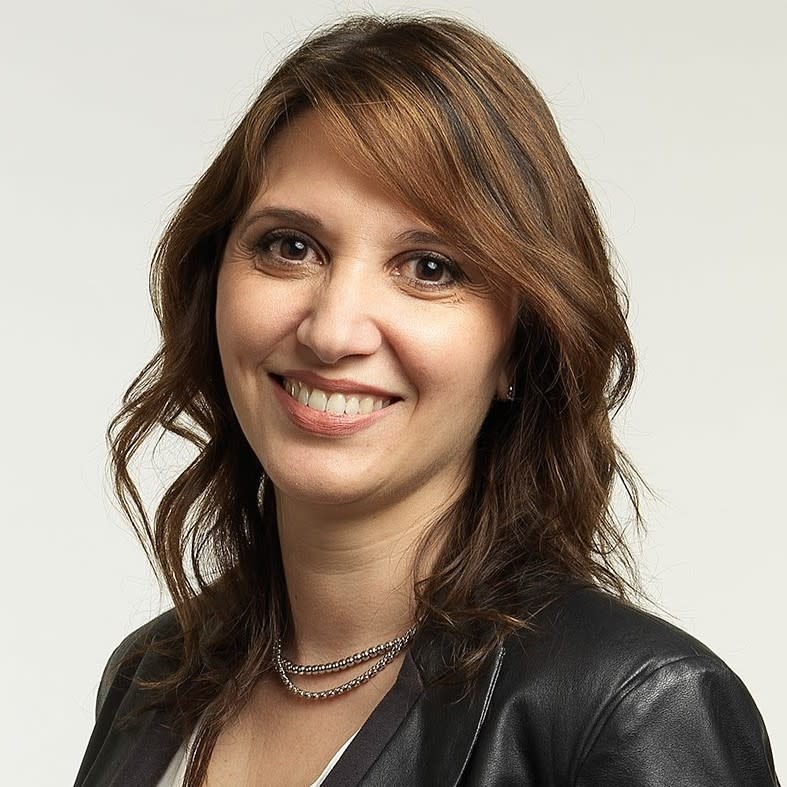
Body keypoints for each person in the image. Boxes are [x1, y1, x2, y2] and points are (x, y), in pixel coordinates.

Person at [74, 14, 779, 787]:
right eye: (290, 246)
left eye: (429, 267)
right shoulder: (148, 679)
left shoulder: (633, 711)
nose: (332, 330)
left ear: (519, 346)